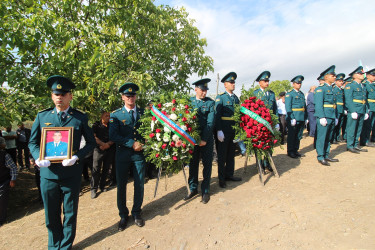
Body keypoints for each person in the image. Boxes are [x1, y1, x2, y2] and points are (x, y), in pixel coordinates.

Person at [28, 75, 96, 249]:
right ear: (52, 96)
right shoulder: (42, 116)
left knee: (70, 213)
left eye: (64, 93)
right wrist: (37, 157)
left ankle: (65, 246)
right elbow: (32, 142)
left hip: (71, 174)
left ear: (70, 96)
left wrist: (77, 157)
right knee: (51, 215)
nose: (60, 96)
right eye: (56, 93)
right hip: (48, 175)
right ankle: (54, 246)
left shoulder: (80, 118)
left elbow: (91, 143)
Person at [109, 82, 146, 231]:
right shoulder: (116, 115)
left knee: (139, 184)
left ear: (136, 96)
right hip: (123, 155)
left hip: (139, 155)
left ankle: (136, 212)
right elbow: (113, 135)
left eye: (133, 95)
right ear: (123, 97)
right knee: (122, 186)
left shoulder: (144, 113)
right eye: (127, 95)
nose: (131, 98)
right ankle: (123, 215)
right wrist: (131, 143)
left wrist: (144, 142)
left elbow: (148, 131)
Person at [184, 78, 215, 204]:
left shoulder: (210, 103)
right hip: (192, 140)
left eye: (206, 90)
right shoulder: (189, 102)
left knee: (207, 164)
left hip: (205, 139)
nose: (204, 93)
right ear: (196, 89)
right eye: (202, 90)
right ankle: (193, 189)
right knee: (192, 164)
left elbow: (210, 122)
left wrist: (203, 139)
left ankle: (205, 190)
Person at [214, 72, 242, 188]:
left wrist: (239, 130)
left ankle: (229, 174)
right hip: (223, 130)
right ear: (225, 84)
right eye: (231, 82)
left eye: (234, 82)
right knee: (222, 155)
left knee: (231, 153)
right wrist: (219, 130)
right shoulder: (220, 97)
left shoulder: (236, 98)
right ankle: (221, 178)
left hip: (233, 130)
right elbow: (217, 115)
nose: (233, 84)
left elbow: (238, 115)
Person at [314, 65, 339, 166]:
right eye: (332, 75)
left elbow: (334, 105)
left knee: (329, 137)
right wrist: (321, 117)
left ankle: (326, 154)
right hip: (324, 116)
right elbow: (319, 104)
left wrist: (335, 116)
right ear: (326, 77)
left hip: (331, 116)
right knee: (322, 137)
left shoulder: (332, 89)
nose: (335, 77)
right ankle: (320, 156)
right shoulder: (321, 89)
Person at [253, 71, 277, 171]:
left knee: (269, 143)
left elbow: (274, 109)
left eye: (267, 81)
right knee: (259, 144)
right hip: (259, 124)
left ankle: (268, 163)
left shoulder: (271, 94)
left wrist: (277, 122)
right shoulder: (255, 93)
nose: (267, 82)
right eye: (264, 81)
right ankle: (260, 164)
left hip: (270, 123)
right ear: (260, 82)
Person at [90, 111, 115, 198]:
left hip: (109, 149)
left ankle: (102, 186)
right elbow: (93, 136)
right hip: (98, 149)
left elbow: (114, 136)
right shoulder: (96, 125)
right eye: (106, 116)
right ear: (101, 116)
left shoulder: (112, 125)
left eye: (109, 116)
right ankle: (93, 188)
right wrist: (102, 144)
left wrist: (108, 144)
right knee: (96, 169)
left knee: (106, 168)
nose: (108, 117)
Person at [344, 66, 369, 153]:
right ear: (354, 75)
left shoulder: (363, 86)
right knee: (352, 128)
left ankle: (355, 145)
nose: (362, 75)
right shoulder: (350, 86)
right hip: (354, 110)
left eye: (362, 73)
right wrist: (352, 110)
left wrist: (366, 111)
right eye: (360, 73)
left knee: (359, 128)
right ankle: (350, 145)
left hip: (362, 109)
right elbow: (348, 99)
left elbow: (364, 100)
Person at [285, 75, 307, 158]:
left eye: (300, 83)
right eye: (297, 83)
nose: (299, 84)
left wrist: (306, 117)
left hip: (301, 117)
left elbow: (304, 106)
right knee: (292, 135)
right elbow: (288, 107)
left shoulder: (301, 94)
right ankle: (290, 151)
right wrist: (292, 117)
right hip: (293, 117)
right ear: (293, 84)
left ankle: (295, 149)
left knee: (298, 135)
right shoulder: (290, 94)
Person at [0, 137, 17, 227]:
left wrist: (13, 179)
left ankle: (1, 219)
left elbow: (13, 167)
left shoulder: (4, 155)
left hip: (3, 181)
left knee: (2, 201)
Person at [360, 68, 375, 147]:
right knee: (367, 125)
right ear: (368, 76)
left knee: (372, 124)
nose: (374, 77)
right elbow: (364, 97)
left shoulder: (373, 84)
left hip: (373, 106)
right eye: (373, 75)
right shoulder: (365, 84)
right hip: (369, 106)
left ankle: (372, 138)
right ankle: (364, 140)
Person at [331, 73, 346, 143]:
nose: (341, 82)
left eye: (342, 81)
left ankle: (337, 137)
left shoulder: (341, 90)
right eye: (339, 81)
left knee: (340, 124)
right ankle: (333, 138)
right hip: (336, 108)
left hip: (341, 108)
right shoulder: (334, 89)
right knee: (335, 124)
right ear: (336, 81)